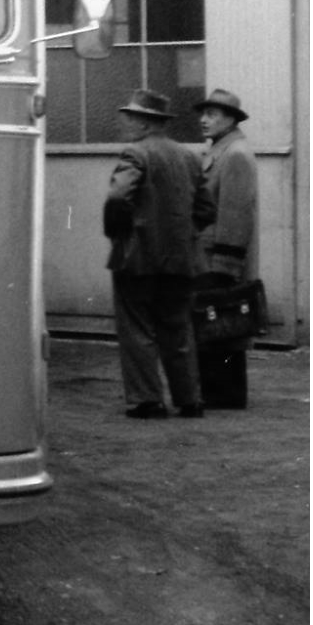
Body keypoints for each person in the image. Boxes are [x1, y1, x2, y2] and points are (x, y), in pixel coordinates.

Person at [102, 89, 214, 419]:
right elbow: (207, 209)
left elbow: (118, 198)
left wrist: (119, 234)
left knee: (137, 329)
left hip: (137, 258)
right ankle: (189, 399)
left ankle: (147, 400)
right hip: (181, 259)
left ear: (144, 122)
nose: (126, 123)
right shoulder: (190, 157)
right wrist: (183, 233)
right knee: (178, 329)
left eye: (131, 117)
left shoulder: (135, 154)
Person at [193, 89, 259, 408]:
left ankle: (226, 395)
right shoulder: (222, 150)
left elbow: (235, 212)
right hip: (210, 254)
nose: (204, 120)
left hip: (219, 256)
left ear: (231, 119)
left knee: (224, 323)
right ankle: (220, 392)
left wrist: (226, 266)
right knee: (218, 324)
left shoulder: (234, 155)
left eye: (213, 115)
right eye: (203, 114)